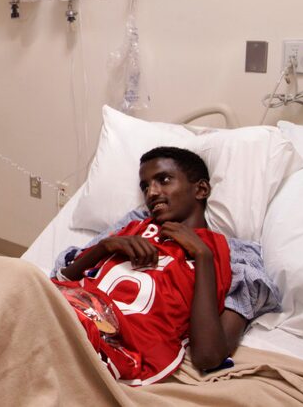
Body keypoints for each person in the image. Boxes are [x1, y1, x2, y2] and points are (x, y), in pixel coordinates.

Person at [51, 146, 280, 385]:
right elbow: (59, 280)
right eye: (145, 186)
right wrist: (105, 246)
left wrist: (202, 255)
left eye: (163, 180)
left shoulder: (237, 257)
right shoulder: (132, 226)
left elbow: (209, 355)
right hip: (66, 310)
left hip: (103, 342)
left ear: (201, 189)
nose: (151, 192)